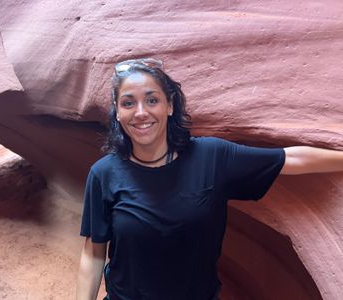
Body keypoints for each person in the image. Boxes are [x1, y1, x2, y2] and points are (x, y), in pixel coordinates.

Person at [76, 58, 343, 300]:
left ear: (169, 105)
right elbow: (93, 252)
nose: (141, 112)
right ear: (118, 112)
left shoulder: (211, 157)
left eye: (152, 100)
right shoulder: (104, 174)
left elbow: (291, 159)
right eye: (128, 102)